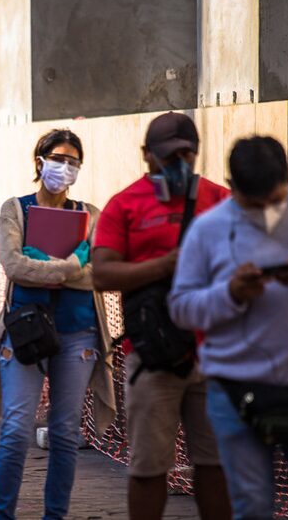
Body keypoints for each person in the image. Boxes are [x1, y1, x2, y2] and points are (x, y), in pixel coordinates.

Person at [169, 136, 288, 518]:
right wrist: (230, 294)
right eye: (251, 206)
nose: (263, 215)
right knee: (252, 506)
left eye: (273, 203)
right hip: (235, 389)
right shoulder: (207, 229)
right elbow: (181, 308)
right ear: (232, 185)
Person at [91, 112, 231, 520]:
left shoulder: (219, 201)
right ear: (146, 156)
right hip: (150, 356)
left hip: (214, 353)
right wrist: (168, 266)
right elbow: (102, 274)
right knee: (149, 465)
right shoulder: (125, 204)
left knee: (215, 464)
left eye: (186, 155)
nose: (177, 165)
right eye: (167, 157)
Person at [0, 129, 116, 519]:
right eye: (58, 158)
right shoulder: (16, 209)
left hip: (78, 332)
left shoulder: (90, 215)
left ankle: (55, 515)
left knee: (64, 434)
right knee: (14, 431)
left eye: (73, 161)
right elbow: (13, 266)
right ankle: (1, 514)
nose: (65, 167)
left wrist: (44, 266)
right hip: (26, 331)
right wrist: (73, 265)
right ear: (40, 161)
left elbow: (100, 273)